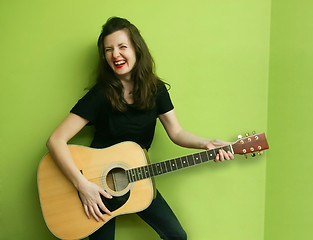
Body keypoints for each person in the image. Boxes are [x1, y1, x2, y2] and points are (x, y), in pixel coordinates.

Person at [46, 17, 234, 240]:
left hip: (139, 181)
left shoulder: (156, 90)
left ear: (136, 48)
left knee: (177, 236)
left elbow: (176, 132)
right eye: (108, 50)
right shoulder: (100, 95)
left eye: (122, 46)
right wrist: (83, 186)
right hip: (96, 189)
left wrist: (207, 144)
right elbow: (55, 140)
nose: (115, 54)